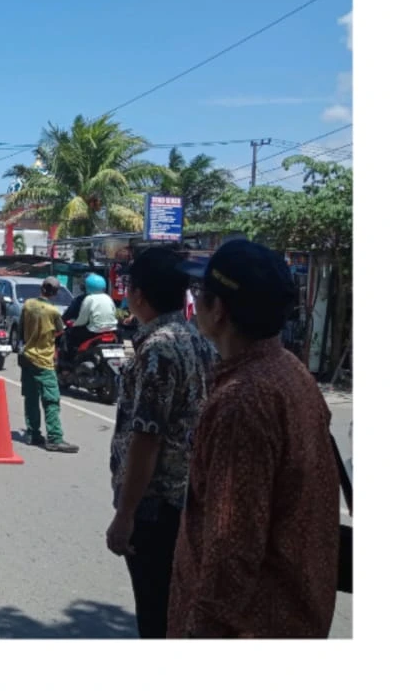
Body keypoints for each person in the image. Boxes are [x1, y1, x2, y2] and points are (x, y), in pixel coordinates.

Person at [167, 240, 340, 638]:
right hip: (295, 613)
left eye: (200, 294)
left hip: (252, 626)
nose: (195, 301)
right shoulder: (290, 371)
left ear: (219, 310)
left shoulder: (241, 401)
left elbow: (232, 546)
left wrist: (200, 634)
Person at [104, 246, 214, 638]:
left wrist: (125, 515)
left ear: (138, 296)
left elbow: (146, 439)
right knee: (176, 609)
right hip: (189, 499)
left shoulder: (157, 350)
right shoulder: (197, 339)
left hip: (157, 508)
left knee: (156, 613)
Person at [19, 278, 78, 451]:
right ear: (55, 292)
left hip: (27, 356)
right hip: (44, 360)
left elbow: (22, 328)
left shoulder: (28, 304)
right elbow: (60, 331)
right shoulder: (53, 311)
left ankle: (32, 434)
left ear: (41, 288)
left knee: (30, 397)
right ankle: (54, 438)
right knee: (51, 399)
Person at [61, 270, 118, 362]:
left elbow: (82, 319)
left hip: (93, 331)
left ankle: (68, 364)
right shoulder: (108, 297)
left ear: (86, 286)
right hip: (111, 330)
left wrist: (74, 324)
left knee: (69, 335)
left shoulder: (86, 299)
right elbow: (114, 313)